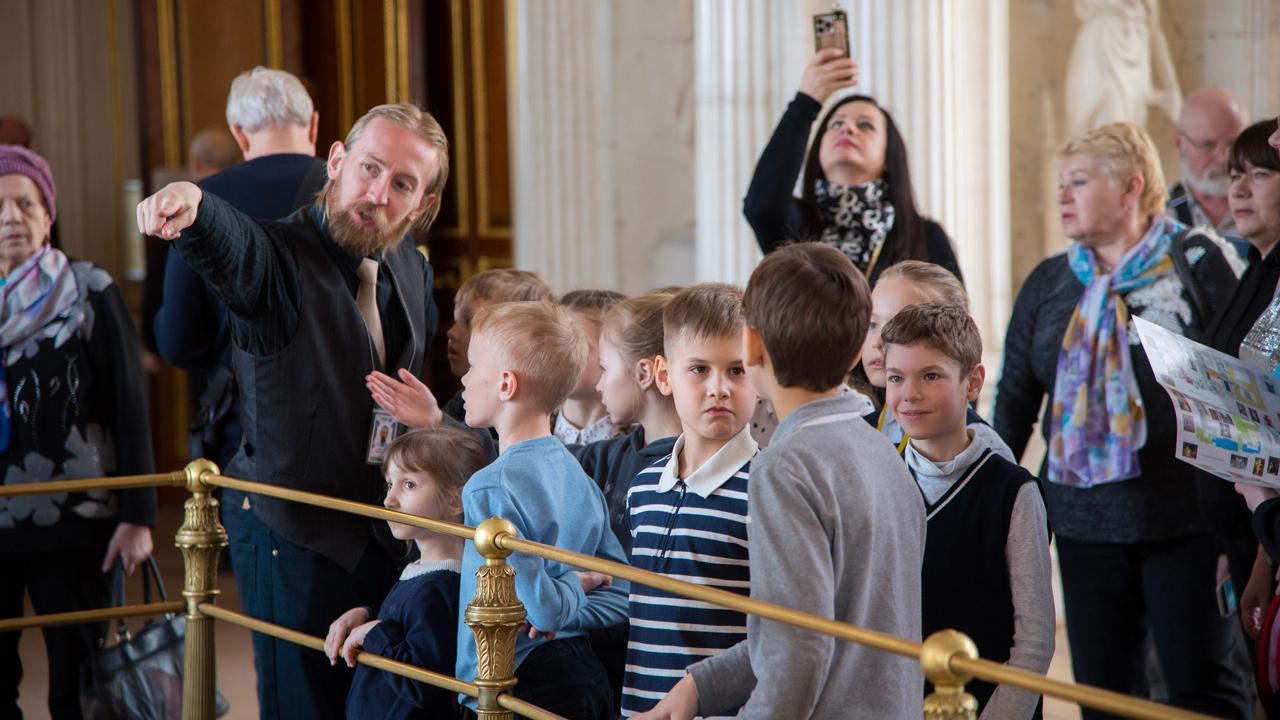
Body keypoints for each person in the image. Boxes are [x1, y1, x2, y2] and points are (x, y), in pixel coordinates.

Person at [136, 102, 445, 720]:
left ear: (421, 207)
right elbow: (238, 246)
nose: (377, 192)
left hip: (383, 535)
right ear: (335, 161)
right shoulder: (278, 258)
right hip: (292, 536)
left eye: (402, 184)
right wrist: (194, 206)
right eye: (369, 168)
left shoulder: (409, 264)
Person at [993, 122, 1250, 718]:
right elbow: (1014, 403)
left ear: (1132, 187)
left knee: (1201, 691)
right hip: (1083, 527)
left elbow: (1242, 396)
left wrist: (1243, 525)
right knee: (1104, 697)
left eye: (1079, 182)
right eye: (1062, 183)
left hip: (1187, 522)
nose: (1062, 196)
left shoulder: (1200, 263)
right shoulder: (1050, 282)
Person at [637, 243, 925, 719]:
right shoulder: (885, 452)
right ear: (857, 352)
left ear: (751, 348)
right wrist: (699, 686)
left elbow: (798, 653)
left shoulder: (786, 466)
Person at [0, 145, 156, 719]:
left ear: (48, 213)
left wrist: (139, 515)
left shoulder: (88, 289)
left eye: (26, 202)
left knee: (81, 683)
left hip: (76, 525)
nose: (11, 217)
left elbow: (129, 406)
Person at [454, 301, 629, 719]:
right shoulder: (578, 476)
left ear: (506, 385)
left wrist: (570, 591)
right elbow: (620, 593)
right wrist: (576, 591)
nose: (462, 377)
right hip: (583, 671)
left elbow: (545, 609)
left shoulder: (488, 487)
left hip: (516, 685)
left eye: (474, 366)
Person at [882, 303, 1054, 719]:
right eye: (896, 378)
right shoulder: (877, 481)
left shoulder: (1013, 492)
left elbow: (1035, 638)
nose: (910, 394)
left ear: (973, 381)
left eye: (931, 376)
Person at [154, 67, 326, 472]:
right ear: (314, 124)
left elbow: (179, 342)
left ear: (240, 134)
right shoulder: (356, 193)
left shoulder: (201, 202)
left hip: (245, 434)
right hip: (348, 427)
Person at [620, 284, 758, 717]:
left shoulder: (768, 490)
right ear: (664, 376)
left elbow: (779, 637)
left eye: (737, 371)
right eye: (699, 369)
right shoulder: (642, 489)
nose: (719, 389)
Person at [744, 49, 961, 285]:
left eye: (865, 125)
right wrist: (806, 102)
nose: (847, 129)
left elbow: (955, 320)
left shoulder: (925, 237)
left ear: (889, 157)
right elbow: (761, 207)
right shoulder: (798, 226)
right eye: (836, 124)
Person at [326, 426, 491, 720]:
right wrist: (366, 615)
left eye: (409, 485)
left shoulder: (441, 587)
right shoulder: (422, 572)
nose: (390, 500)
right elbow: (409, 628)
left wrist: (374, 633)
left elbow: (421, 681)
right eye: (390, 484)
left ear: (455, 501)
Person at [569, 291, 682, 712]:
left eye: (604, 368)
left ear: (644, 373)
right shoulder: (604, 457)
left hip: (664, 674)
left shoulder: (688, 464)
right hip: (604, 665)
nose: (598, 384)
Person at [1191, 119, 1280, 645]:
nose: (1239, 190)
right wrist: (1231, 544)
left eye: (1261, 174)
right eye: (1235, 176)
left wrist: (1263, 558)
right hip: (1249, 537)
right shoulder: (1255, 267)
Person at [857, 260, 1013, 461]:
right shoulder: (866, 426)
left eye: (901, 326)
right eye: (872, 324)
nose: (878, 342)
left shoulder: (987, 454)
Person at [1167, 87, 1249, 260]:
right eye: (1208, 146)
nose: (1223, 159)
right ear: (1180, 144)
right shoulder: (1157, 217)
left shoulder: (1271, 212)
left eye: (1234, 144)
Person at [554, 289, 627, 445]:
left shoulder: (636, 442)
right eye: (554, 343)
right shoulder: (529, 434)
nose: (558, 355)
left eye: (578, 345)